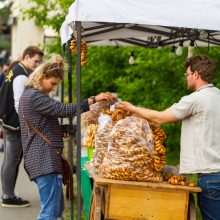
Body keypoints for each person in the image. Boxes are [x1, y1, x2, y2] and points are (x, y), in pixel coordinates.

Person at [116, 55, 220, 220]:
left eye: (187, 74)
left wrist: (131, 107)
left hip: (210, 175)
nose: (185, 78)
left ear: (196, 74)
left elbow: (160, 118)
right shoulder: (217, 96)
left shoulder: (195, 99)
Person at [18, 55, 114, 219]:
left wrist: (63, 129)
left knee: (55, 209)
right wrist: (93, 100)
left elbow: (42, 124)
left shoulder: (31, 95)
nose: (53, 88)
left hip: (42, 158)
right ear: (43, 77)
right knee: (49, 212)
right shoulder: (35, 97)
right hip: (44, 159)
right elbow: (63, 110)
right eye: (52, 83)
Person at [0, 46, 44, 208]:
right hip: (14, 124)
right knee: (12, 160)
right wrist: (28, 123)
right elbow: (20, 103)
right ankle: (7, 196)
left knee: (10, 160)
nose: (37, 65)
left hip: (8, 121)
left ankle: (8, 193)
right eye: (35, 61)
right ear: (26, 57)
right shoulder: (20, 75)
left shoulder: (16, 70)